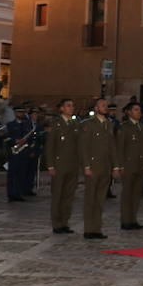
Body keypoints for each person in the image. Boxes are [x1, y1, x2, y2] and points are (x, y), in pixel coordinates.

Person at [77, 97, 117, 239]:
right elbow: (84, 147)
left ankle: (97, 228)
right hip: (93, 166)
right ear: (96, 108)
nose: (105, 107)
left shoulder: (108, 124)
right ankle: (89, 229)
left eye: (106, 105)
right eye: (102, 105)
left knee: (100, 199)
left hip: (105, 167)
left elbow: (112, 146)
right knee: (90, 199)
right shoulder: (89, 124)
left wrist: (115, 165)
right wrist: (86, 165)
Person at [115, 102, 143, 230]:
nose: (138, 112)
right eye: (136, 110)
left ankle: (133, 219)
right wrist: (120, 165)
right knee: (127, 194)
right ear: (129, 112)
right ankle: (126, 221)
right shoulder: (124, 127)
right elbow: (120, 148)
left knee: (136, 194)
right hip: (128, 165)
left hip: (140, 165)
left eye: (139, 110)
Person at [45, 98, 80, 231]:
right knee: (58, 195)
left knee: (69, 196)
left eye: (72, 106)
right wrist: (50, 165)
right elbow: (50, 146)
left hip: (72, 165)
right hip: (59, 165)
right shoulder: (56, 124)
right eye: (68, 106)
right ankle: (57, 223)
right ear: (62, 109)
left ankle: (65, 222)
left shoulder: (76, 123)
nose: (71, 108)